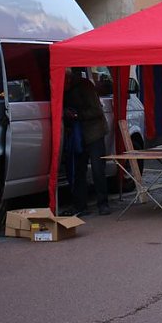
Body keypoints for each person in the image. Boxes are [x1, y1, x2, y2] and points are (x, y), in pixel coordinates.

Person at [63, 68, 110, 216]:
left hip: (94, 132)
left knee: (97, 170)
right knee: (78, 170)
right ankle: (80, 205)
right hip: (79, 134)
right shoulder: (68, 87)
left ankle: (103, 204)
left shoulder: (85, 86)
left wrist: (77, 115)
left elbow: (97, 111)